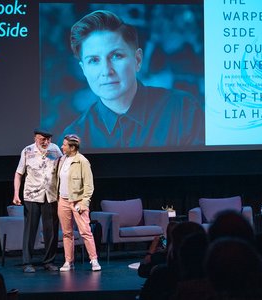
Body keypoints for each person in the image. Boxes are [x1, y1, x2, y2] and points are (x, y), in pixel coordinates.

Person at [62, 10, 204, 149]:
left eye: (116, 56)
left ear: (137, 60)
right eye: (94, 60)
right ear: (84, 70)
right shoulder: (73, 140)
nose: (106, 71)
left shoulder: (184, 111)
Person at [13, 128, 62, 273]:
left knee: (51, 231)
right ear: (36, 138)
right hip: (32, 195)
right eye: (43, 139)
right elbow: (18, 173)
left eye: (48, 139)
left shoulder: (55, 150)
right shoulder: (27, 151)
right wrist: (16, 194)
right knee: (30, 230)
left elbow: (62, 170)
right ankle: (27, 262)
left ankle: (49, 261)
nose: (46, 142)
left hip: (50, 196)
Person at [56, 134, 101, 272]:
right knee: (66, 233)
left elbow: (89, 185)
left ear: (72, 147)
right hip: (62, 200)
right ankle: (68, 261)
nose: (62, 147)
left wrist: (84, 203)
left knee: (85, 232)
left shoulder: (82, 161)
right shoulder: (62, 159)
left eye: (64, 145)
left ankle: (94, 260)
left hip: (77, 201)